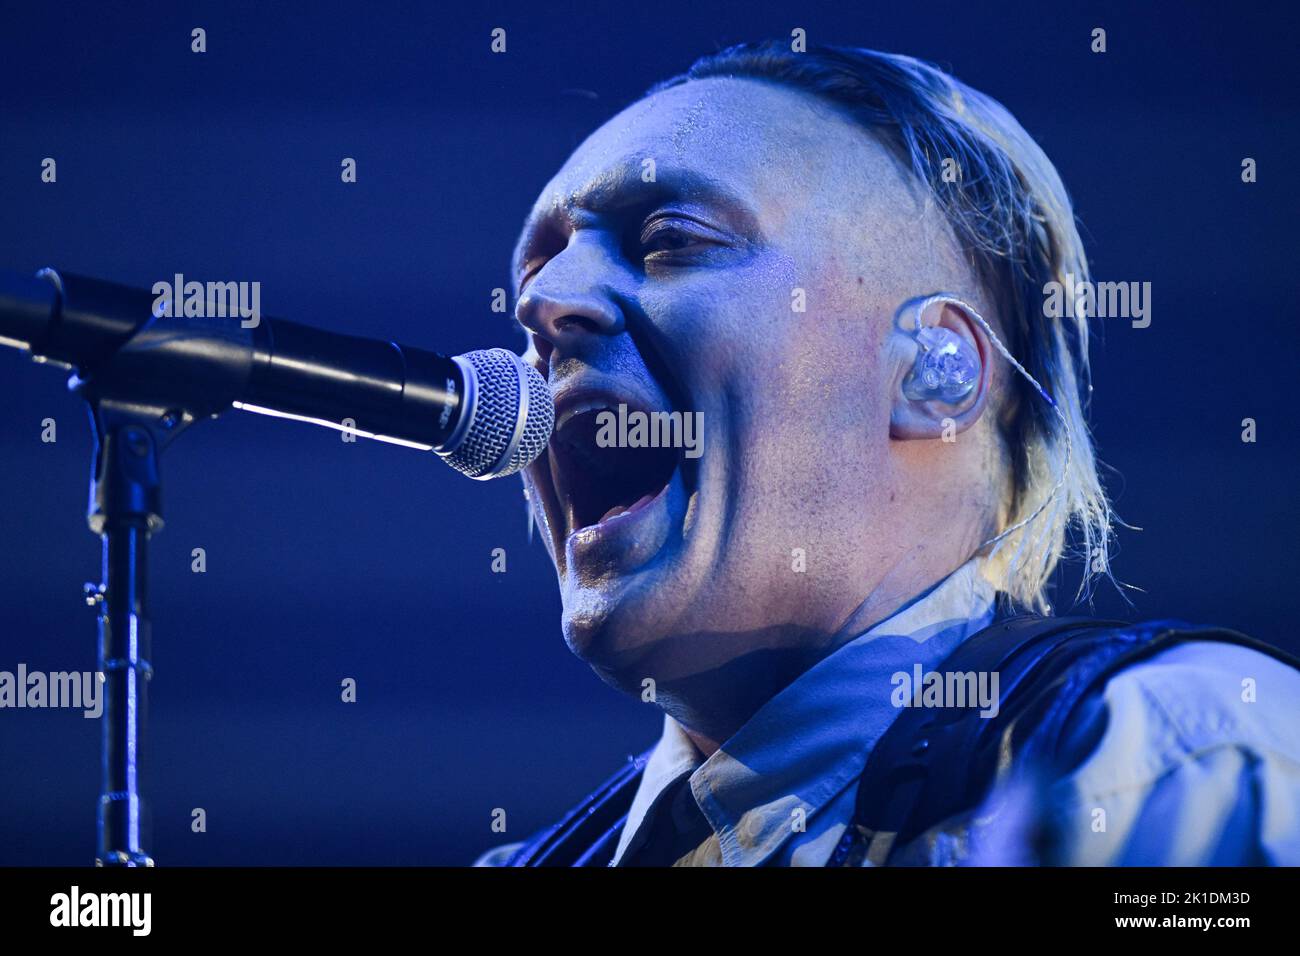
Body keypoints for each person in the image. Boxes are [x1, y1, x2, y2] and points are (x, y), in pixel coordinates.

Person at [476, 40, 1300, 866]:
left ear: (933, 375)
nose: (544, 302)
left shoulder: (1173, 763)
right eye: (542, 267)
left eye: (670, 238)